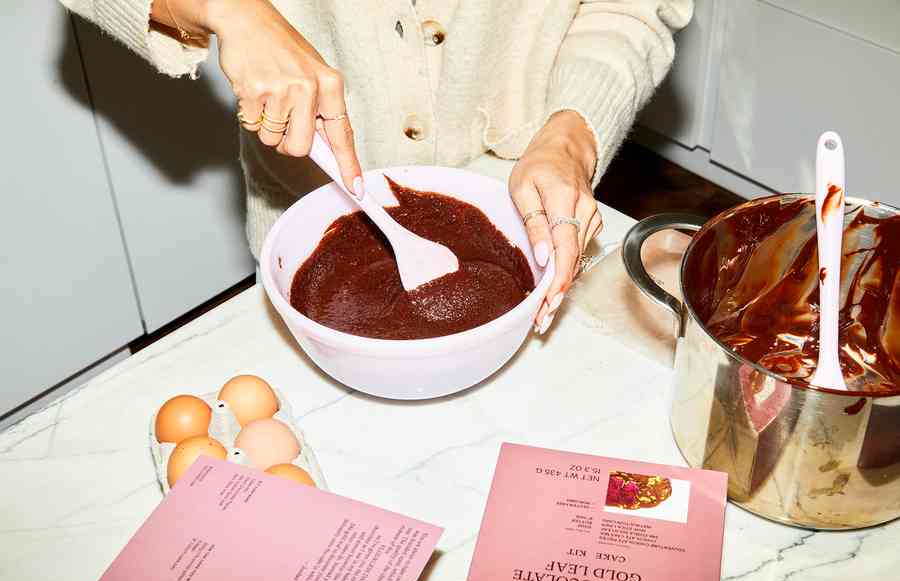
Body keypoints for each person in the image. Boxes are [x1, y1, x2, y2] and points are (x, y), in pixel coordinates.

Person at [62, 0, 693, 333]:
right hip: (305, 200)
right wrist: (229, 7)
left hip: (533, 210)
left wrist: (572, 135)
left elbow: (630, 7)